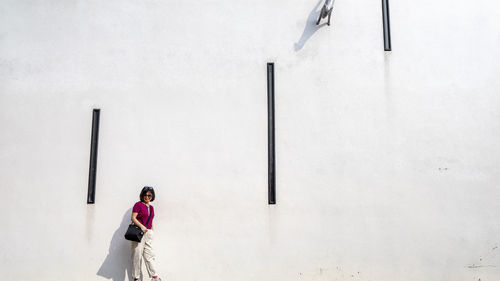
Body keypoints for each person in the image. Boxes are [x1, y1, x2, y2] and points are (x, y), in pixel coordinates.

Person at [131, 186, 162, 281]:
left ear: (152, 196)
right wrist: (141, 226)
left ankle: (155, 277)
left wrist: (151, 230)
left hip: (148, 233)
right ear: (142, 195)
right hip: (139, 233)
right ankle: (136, 278)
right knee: (137, 255)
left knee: (149, 255)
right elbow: (133, 218)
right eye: (145, 194)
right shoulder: (138, 205)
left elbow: (151, 220)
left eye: (149, 195)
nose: (147, 197)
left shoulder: (152, 208)